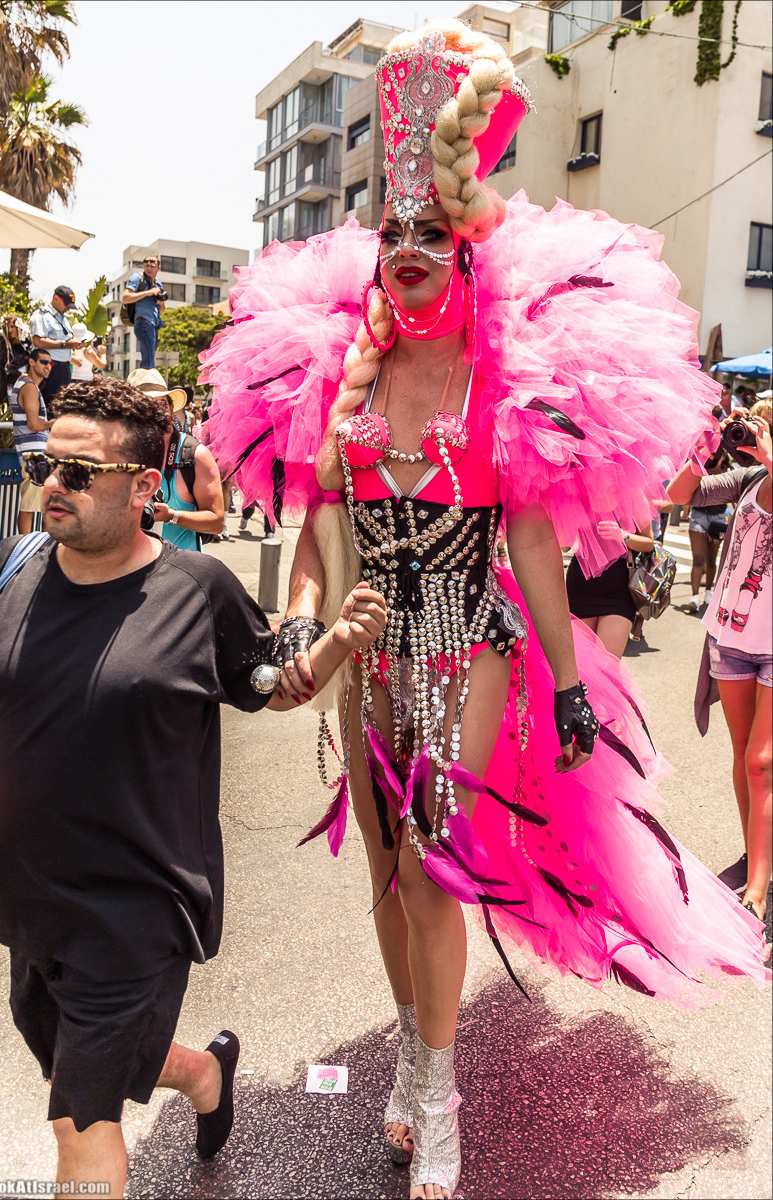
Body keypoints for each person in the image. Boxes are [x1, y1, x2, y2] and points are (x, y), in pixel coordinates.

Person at [200, 22, 769, 1198]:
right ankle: (411, 1060)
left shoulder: (499, 381)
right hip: (368, 657)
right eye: (391, 234)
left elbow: (526, 543)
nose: (407, 249)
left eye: (431, 234)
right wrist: (305, 615)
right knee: (376, 866)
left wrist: (565, 681)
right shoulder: (342, 383)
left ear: (466, 256)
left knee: (431, 869)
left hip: (472, 650)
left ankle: (441, 1101)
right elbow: (317, 527)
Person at [0, 376, 386, 1200]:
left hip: (139, 907)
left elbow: (270, 683)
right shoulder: (6, 570)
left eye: (80, 473)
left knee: (82, 1124)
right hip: (29, 901)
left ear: (142, 488)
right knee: (76, 1058)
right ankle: (203, 1075)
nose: (55, 485)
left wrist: (337, 641)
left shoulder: (196, 593)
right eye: (50, 464)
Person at [667, 403, 772, 929]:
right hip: (731, 636)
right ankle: (757, 854)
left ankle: (758, 887)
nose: (757, 436)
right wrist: (704, 448)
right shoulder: (751, 476)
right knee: (742, 754)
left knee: (762, 761)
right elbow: (679, 495)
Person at [127, 368, 223, 549]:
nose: (153, 413)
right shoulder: (117, 453)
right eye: (143, 406)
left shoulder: (195, 455)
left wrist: (172, 515)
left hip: (180, 571)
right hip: (130, 570)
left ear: (171, 410)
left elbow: (216, 521)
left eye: (159, 405)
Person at [566, 519, 655, 657]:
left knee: (607, 666)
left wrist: (623, 535)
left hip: (619, 593)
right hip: (580, 589)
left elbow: (649, 544)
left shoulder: (633, 499)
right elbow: (564, 546)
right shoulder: (578, 498)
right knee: (581, 665)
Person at [9, 346, 54, 535]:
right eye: (43, 361)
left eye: (50, 363)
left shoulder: (27, 385)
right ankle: (26, 552)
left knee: (43, 505)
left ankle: (42, 548)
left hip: (35, 454)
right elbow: (34, 424)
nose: (48, 366)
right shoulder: (28, 386)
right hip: (34, 455)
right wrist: (55, 422)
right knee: (30, 506)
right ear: (31, 362)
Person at [684, 446, 732, 612]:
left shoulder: (729, 470)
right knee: (698, 559)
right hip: (698, 515)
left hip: (718, 518)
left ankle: (709, 591)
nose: (714, 456)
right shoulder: (701, 466)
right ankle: (694, 596)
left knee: (711, 560)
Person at [30, 285, 82, 404]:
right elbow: (38, 341)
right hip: (50, 369)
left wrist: (74, 345)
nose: (68, 309)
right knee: (49, 407)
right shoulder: (42, 315)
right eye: (66, 305)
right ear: (56, 299)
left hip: (64, 369)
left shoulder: (64, 319)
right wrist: (65, 344)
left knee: (62, 407)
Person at [122, 254, 166, 369]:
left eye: (152, 266)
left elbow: (162, 309)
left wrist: (160, 300)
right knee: (148, 362)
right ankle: (146, 385)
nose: (149, 269)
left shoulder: (158, 284)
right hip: (143, 322)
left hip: (154, 324)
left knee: (150, 358)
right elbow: (125, 298)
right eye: (147, 266)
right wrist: (149, 292)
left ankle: (145, 383)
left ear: (158, 268)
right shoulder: (137, 278)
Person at [0, 312, 34, 405]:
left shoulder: (28, 344)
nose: (10, 330)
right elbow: (1, 367)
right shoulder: (4, 346)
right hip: (10, 386)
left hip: (29, 384)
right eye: (7, 327)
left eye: (12, 326)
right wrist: (19, 374)